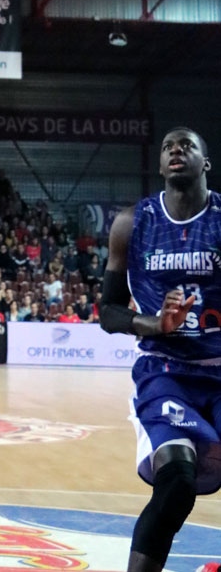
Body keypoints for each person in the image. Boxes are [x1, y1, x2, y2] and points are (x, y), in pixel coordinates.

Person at [100, 126, 221, 572]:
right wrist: (154, 323)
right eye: (169, 146)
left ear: (205, 163)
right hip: (164, 371)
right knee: (176, 484)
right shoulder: (133, 223)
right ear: (159, 164)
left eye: (188, 145)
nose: (177, 150)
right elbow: (108, 311)